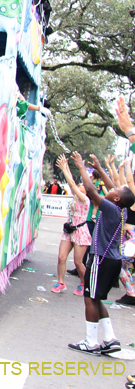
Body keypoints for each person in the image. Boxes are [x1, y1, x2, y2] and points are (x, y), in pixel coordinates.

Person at [67, 151, 131, 356]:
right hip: (112, 260)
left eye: (115, 190)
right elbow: (111, 186)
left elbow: (91, 190)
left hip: (100, 259)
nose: (110, 188)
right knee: (97, 298)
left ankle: (91, 342)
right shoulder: (122, 209)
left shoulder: (111, 209)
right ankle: (110, 339)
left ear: (117, 198)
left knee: (89, 297)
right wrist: (100, 168)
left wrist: (80, 166)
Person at [53, 154, 92, 296]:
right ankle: (61, 282)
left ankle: (84, 283)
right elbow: (72, 184)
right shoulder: (76, 196)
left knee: (78, 262)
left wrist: (64, 169)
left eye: (83, 185)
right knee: (61, 257)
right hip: (69, 230)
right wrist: (66, 166)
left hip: (80, 232)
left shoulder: (85, 199)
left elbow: (73, 185)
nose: (79, 185)